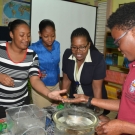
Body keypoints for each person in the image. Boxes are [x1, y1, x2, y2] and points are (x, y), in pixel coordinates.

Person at [64, 2, 135, 135]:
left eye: (118, 42)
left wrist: (122, 126)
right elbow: (127, 103)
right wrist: (87, 99)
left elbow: (97, 88)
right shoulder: (132, 66)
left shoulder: (97, 59)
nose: (118, 48)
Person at [0, 19, 66, 119]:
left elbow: (35, 79)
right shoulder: (1, 50)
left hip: (21, 104)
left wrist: (48, 93)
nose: (26, 39)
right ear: (12, 34)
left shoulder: (32, 55)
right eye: (22, 35)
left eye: (28, 35)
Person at [62, 27, 109, 115]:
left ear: (89, 45)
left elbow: (97, 88)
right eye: (74, 47)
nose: (78, 52)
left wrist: (98, 112)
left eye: (82, 47)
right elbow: (66, 80)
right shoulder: (67, 55)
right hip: (75, 100)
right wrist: (63, 101)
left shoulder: (97, 59)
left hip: (92, 100)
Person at [29, 19, 61, 108]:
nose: (50, 39)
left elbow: (57, 65)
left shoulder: (57, 45)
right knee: (42, 116)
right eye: (46, 36)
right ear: (40, 34)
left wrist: (59, 84)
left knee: (56, 114)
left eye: (53, 35)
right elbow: (26, 66)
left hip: (56, 86)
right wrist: (37, 72)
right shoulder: (33, 48)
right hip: (41, 88)